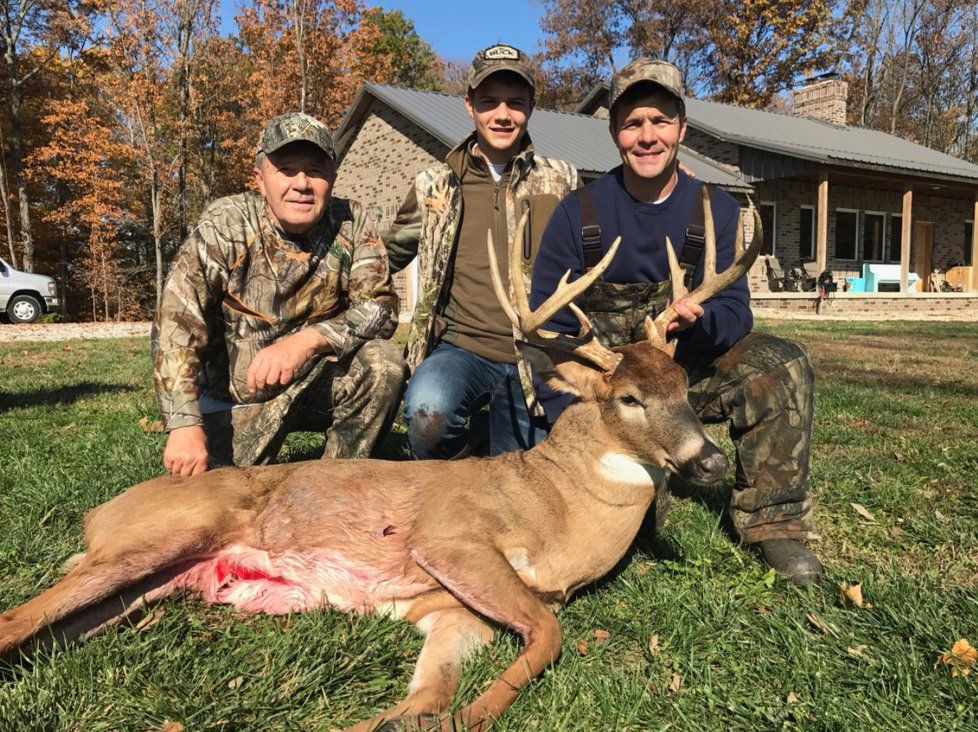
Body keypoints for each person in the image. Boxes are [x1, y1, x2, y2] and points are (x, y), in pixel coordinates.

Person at [529, 59, 822, 585]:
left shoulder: (715, 211)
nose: (648, 136)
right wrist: (572, 422)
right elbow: (546, 335)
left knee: (782, 364)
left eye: (661, 121)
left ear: (682, 128)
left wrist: (703, 319)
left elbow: (737, 313)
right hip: (607, 393)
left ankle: (774, 523)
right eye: (633, 122)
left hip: (684, 379)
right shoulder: (580, 212)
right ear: (615, 132)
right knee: (626, 519)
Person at [154, 112, 407, 477]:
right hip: (232, 401)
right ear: (260, 179)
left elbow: (380, 308)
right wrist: (184, 426)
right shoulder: (226, 225)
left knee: (383, 364)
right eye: (286, 169)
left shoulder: (353, 222)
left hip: (313, 382)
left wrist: (307, 341)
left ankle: (335, 483)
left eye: (315, 171)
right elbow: (177, 321)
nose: (302, 184)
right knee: (221, 496)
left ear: (332, 178)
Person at [385, 44, 579, 459]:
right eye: (489, 102)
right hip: (462, 348)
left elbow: (604, 232)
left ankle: (492, 436)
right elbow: (387, 253)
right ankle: (461, 469)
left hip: (538, 352)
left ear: (531, 107)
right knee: (428, 415)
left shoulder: (561, 180)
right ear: (469, 105)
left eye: (515, 102)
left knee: (534, 466)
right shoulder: (434, 185)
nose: (502, 114)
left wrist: (667, 177)